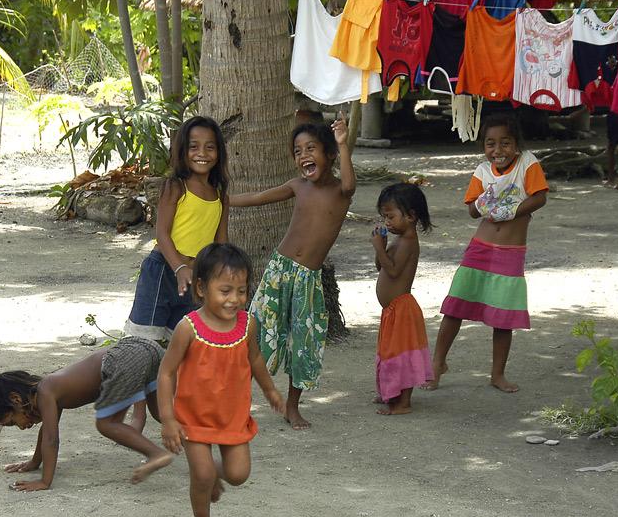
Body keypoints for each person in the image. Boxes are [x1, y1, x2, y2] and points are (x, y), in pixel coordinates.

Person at [229, 113, 356, 430]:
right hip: (278, 271)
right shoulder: (297, 186)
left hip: (308, 280)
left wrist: (343, 144)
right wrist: (222, 200)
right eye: (297, 151)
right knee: (253, 333)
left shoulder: (341, 192)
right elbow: (259, 198)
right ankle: (230, 400)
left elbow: (351, 183)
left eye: (310, 148)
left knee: (303, 342)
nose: (303, 156)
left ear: (328, 154)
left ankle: (292, 406)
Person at [156, 243, 285, 517]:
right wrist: (168, 419)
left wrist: (269, 389)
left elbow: (254, 359)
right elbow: (166, 373)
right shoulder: (188, 328)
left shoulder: (247, 324)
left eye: (241, 291)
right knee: (201, 474)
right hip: (193, 417)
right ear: (201, 288)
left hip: (232, 416)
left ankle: (214, 474)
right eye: (225, 290)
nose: (234, 300)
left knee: (239, 475)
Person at [424, 113, 548, 393]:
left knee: (503, 316)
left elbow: (540, 197)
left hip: (511, 251)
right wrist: (485, 201)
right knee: (456, 307)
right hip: (480, 249)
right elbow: (470, 210)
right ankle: (437, 363)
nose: (498, 150)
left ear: (516, 144)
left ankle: (497, 374)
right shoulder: (482, 171)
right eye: (491, 144)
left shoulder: (528, 163)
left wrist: (514, 209)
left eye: (505, 143)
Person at [0, 337, 173, 491]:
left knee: (106, 424)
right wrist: (34, 462)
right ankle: (202, 439)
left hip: (123, 358)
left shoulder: (46, 390)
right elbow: (46, 433)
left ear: (16, 399)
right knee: (162, 415)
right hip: (145, 349)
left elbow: (51, 439)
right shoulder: (51, 391)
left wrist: (44, 481)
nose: (20, 427)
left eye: (12, 421)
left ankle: (156, 454)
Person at [123, 116, 231, 430]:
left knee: (181, 346)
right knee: (145, 343)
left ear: (219, 152)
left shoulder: (220, 193)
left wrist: (218, 280)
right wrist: (180, 266)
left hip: (196, 279)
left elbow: (220, 241)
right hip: (163, 271)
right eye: (194, 146)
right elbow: (163, 234)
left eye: (210, 147)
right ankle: (139, 412)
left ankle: (177, 410)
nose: (202, 153)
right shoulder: (175, 186)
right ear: (182, 151)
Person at [370, 183, 434, 415]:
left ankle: (403, 403)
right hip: (392, 310)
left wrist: (379, 249)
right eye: (384, 217)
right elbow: (382, 267)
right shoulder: (399, 240)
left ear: (410, 216)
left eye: (390, 216)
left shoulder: (408, 242)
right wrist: (382, 248)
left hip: (402, 309)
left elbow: (394, 271)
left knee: (401, 355)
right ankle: (390, 391)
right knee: (390, 352)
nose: (387, 222)